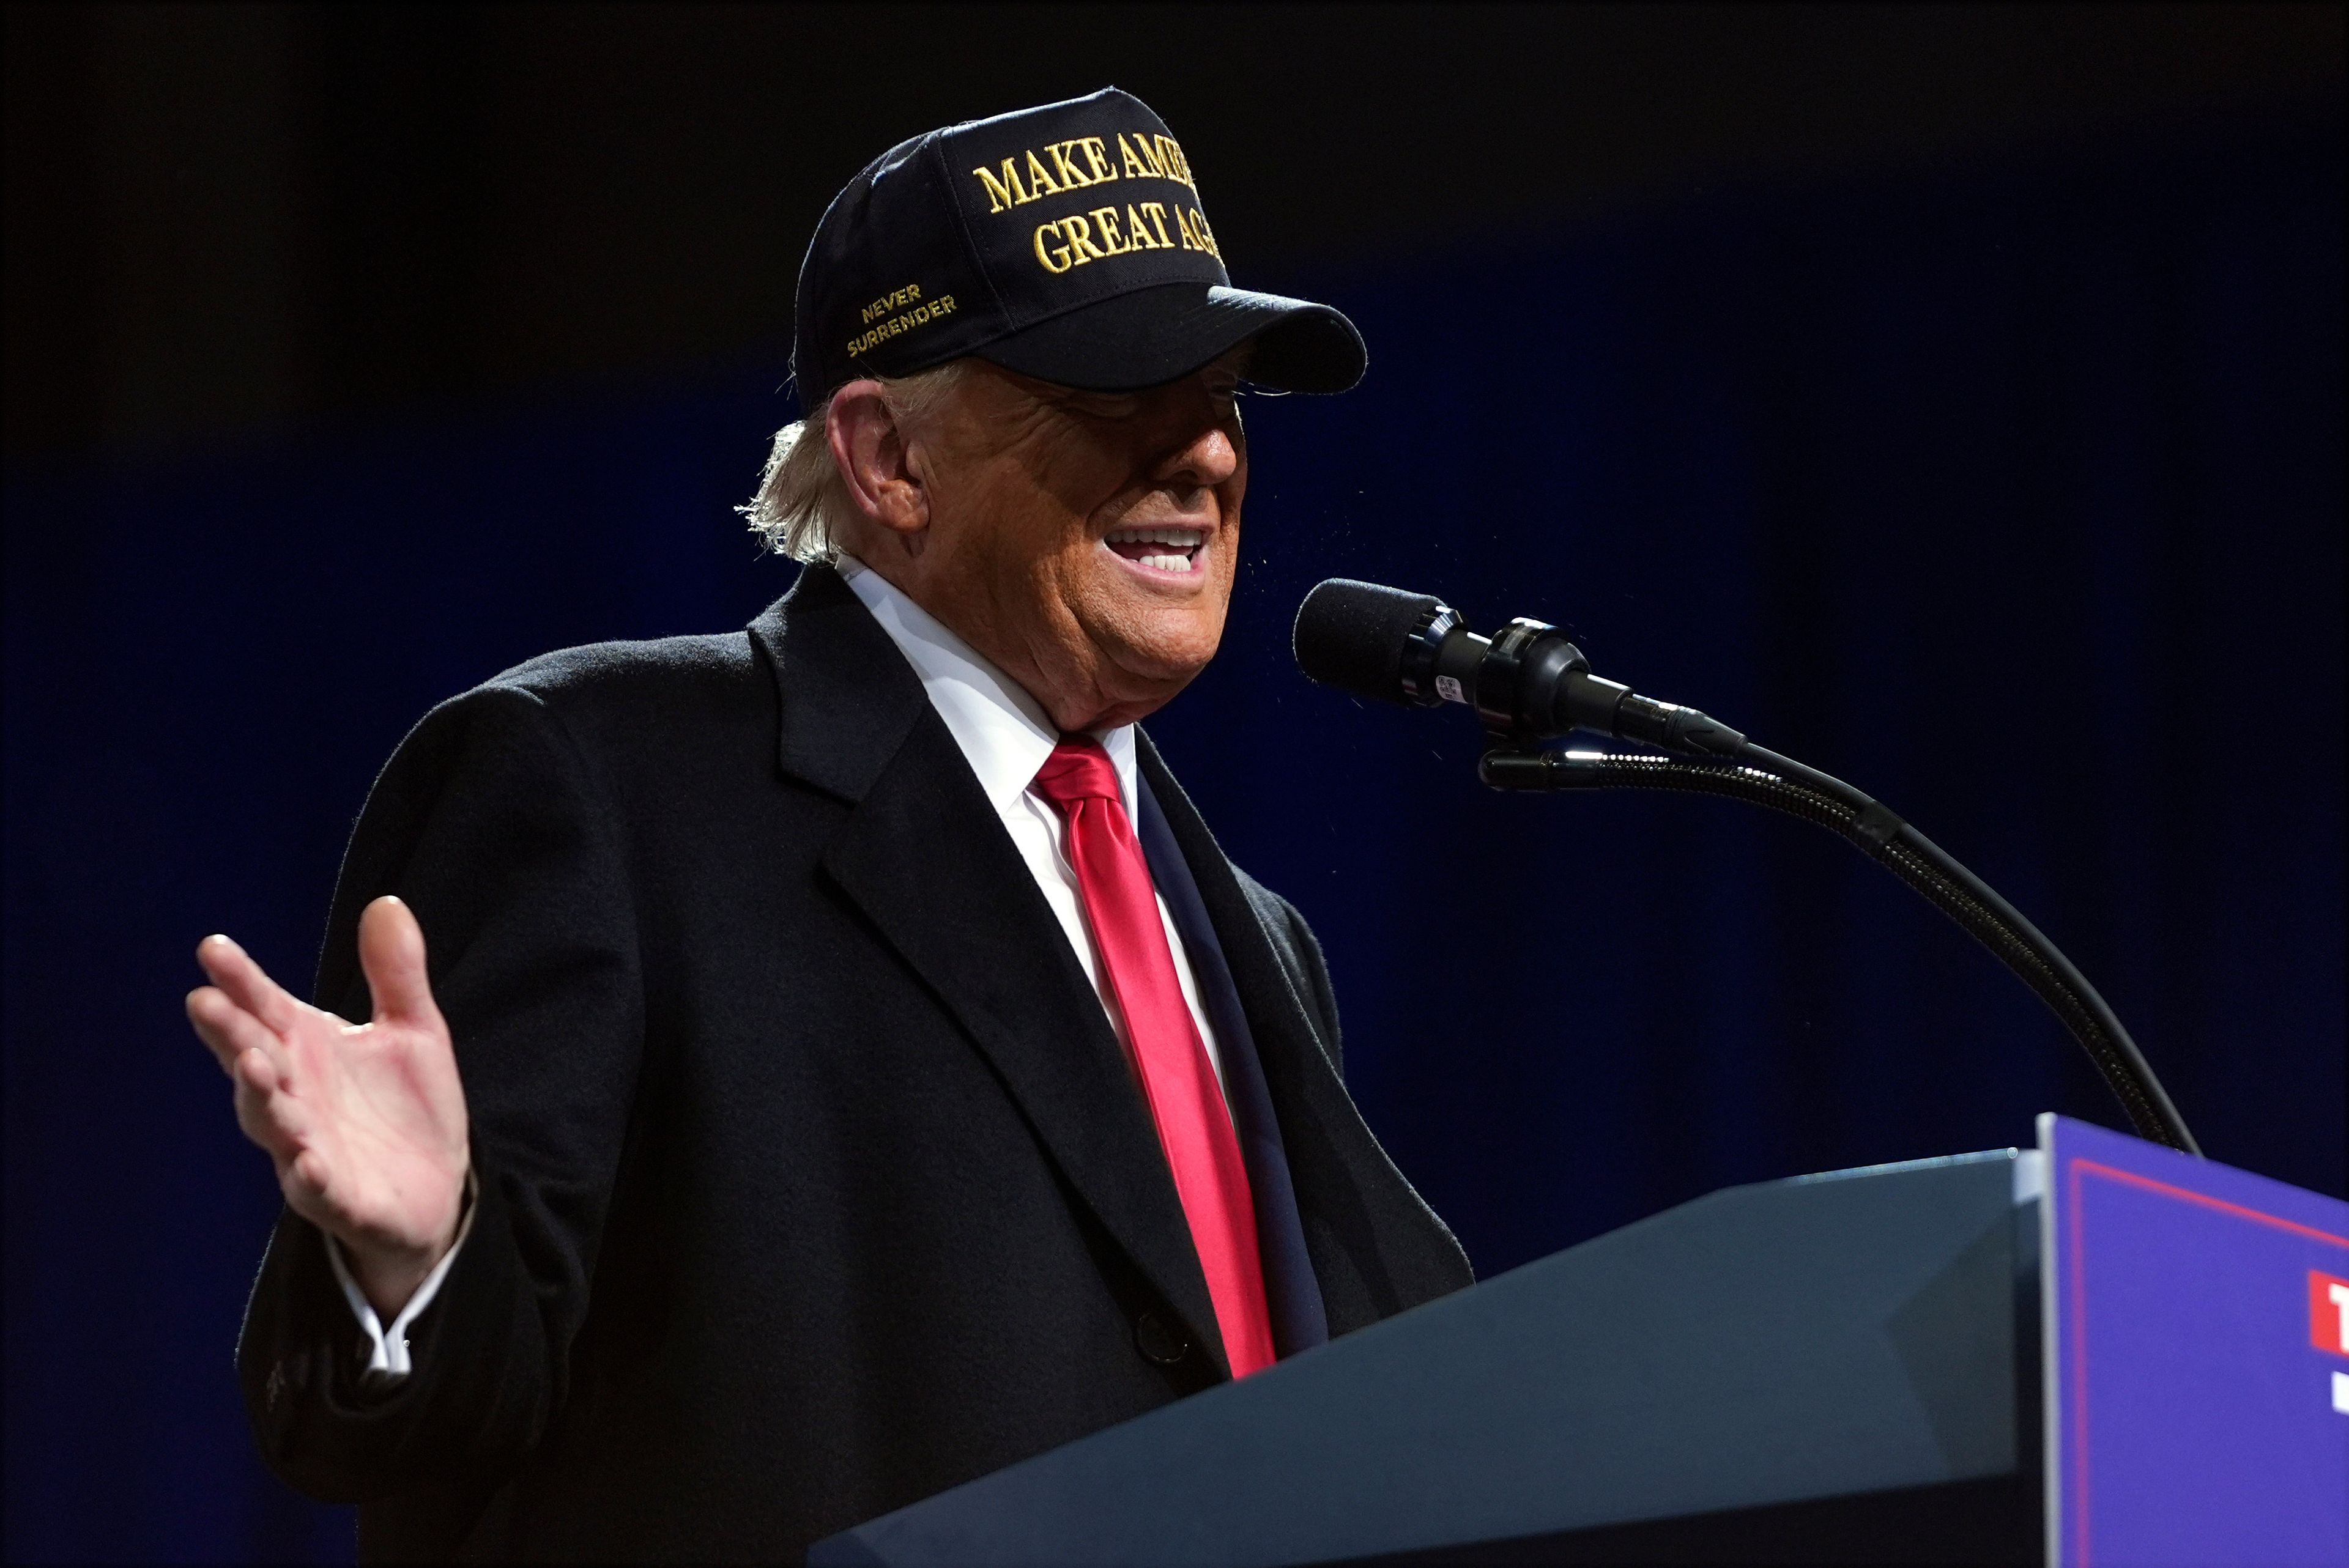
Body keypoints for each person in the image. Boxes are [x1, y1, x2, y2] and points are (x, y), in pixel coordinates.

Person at [185, 87, 1471, 1562]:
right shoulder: (599, 788)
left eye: (1226, 390)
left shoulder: (1256, 939)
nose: (1208, 455)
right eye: (1119, 390)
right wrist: (412, 1264)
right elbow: (390, 1423)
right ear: (887, 460)